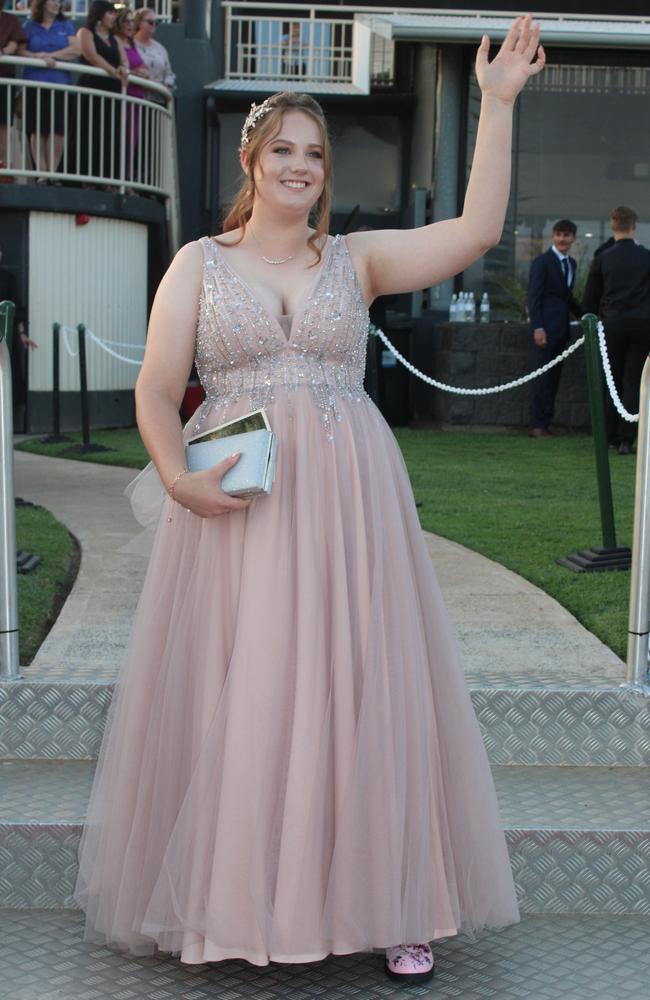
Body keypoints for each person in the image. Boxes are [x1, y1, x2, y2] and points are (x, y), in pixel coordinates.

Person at [74, 16, 544, 986]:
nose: (299, 165)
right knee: (247, 698)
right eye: (281, 149)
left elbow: (476, 231)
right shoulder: (197, 264)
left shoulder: (355, 260)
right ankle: (233, 904)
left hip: (351, 505)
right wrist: (175, 478)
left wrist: (493, 106)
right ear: (250, 157)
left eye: (314, 153)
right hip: (239, 505)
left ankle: (395, 902)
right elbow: (156, 392)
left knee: (364, 686)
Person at [583, 205, 650, 455]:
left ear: (613, 226)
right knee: (633, 381)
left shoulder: (603, 258)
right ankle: (627, 439)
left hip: (612, 325)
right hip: (643, 325)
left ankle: (610, 436)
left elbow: (590, 300)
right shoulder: (646, 257)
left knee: (610, 381)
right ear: (634, 226)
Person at [527, 219, 582, 437]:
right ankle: (537, 425)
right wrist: (538, 327)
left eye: (566, 235)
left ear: (573, 238)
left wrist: (589, 316)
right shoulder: (542, 262)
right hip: (545, 331)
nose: (562, 239)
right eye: (558, 234)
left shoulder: (572, 264)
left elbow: (567, 298)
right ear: (553, 236)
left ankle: (546, 423)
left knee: (554, 379)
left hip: (561, 331)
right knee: (542, 378)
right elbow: (534, 297)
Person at [19, 0, 79, 183]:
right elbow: (21, 51)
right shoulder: (29, 26)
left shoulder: (66, 25)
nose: (58, 4)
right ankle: (42, 173)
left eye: (60, 2)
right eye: (54, 1)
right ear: (43, 4)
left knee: (57, 130)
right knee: (37, 129)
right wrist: (36, 56)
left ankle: (53, 172)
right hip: (34, 83)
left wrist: (52, 56)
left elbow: (76, 49)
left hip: (60, 84)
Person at [77, 0, 128, 185]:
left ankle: (107, 179)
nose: (113, 17)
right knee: (89, 132)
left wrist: (123, 68)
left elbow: (123, 60)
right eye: (110, 13)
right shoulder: (85, 33)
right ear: (99, 15)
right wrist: (113, 71)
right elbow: (91, 55)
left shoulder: (115, 39)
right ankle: (86, 178)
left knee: (109, 134)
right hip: (91, 88)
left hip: (111, 91)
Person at [0, 241, 37, 428]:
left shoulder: (8, 279)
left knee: (7, 377)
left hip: (3, 340)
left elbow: (17, 310)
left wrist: (22, 334)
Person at [113, 6, 148, 183]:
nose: (130, 25)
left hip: (136, 97)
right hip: (122, 97)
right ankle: (118, 179)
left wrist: (133, 72)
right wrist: (135, 73)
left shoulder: (132, 44)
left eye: (132, 21)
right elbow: (124, 69)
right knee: (119, 138)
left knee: (131, 140)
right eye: (126, 21)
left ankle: (126, 179)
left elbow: (145, 71)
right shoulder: (116, 42)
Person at [0, 0, 27, 178]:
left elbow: (14, 44)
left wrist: (3, 53)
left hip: (4, 80)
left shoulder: (10, 20)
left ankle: (3, 167)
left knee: (3, 126)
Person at [133, 7, 175, 103]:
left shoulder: (160, 48)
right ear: (139, 22)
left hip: (159, 99)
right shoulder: (130, 45)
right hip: (138, 98)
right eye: (150, 22)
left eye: (156, 23)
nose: (154, 26)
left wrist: (168, 84)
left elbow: (169, 73)